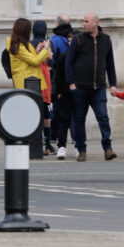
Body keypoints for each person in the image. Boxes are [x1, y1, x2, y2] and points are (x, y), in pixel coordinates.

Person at [65, 12, 118, 162]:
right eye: (83, 21)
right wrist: (71, 83)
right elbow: (69, 62)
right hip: (80, 88)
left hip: (99, 88)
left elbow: (110, 64)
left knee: (103, 117)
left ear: (95, 23)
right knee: (80, 119)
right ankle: (81, 150)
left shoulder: (106, 40)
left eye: (86, 21)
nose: (84, 24)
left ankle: (107, 148)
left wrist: (113, 84)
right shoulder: (78, 39)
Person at [7, 18, 51, 151]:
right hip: (26, 84)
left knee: (33, 115)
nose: (31, 31)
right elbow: (34, 61)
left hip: (32, 82)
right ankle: (27, 145)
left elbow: (31, 58)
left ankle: (33, 145)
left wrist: (37, 50)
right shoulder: (17, 46)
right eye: (29, 29)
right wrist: (46, 49)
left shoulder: (23, 44)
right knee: (29, 116)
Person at [48, 13, 75, 160]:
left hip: (60, 85)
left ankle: (57, 142)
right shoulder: (75, 38)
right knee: (75, 117)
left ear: (57, 25)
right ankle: (77, 145)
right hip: (75, 86)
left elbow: (50, 63)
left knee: (61, 115)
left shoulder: (54, 40)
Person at [30, 20, 55, 155]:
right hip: (44, 84)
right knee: (46, 117)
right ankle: (47, 144)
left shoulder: (29, 45)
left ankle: (39, 144)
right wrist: (46, 48)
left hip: (34, 83)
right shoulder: (46, 44)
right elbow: (51, 57)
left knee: (37, 115)